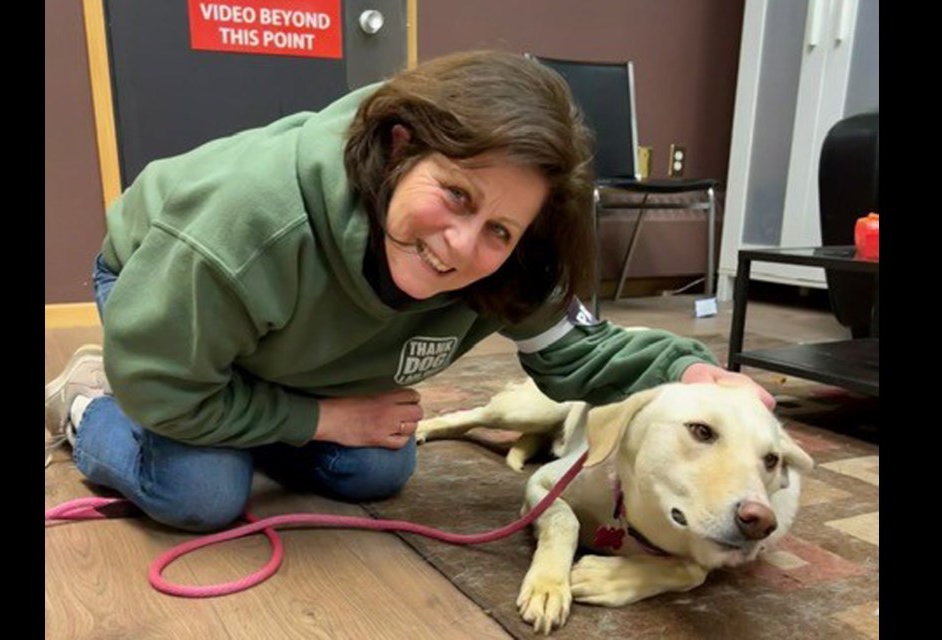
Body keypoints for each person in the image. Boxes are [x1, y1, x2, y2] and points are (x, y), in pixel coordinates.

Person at [44, 50, 773, 532]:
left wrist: (688, 371)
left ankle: (252, 418)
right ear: (399, 148)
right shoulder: (246, 227)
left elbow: (581, 356)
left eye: (500, 230)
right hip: (161, 301)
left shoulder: (511, 259)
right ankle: (85, 404)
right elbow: (165, 389)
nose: (463, 247)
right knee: (202, 496)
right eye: (456, 196)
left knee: (376, 467)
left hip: (273, 342)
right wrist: (323, 418)